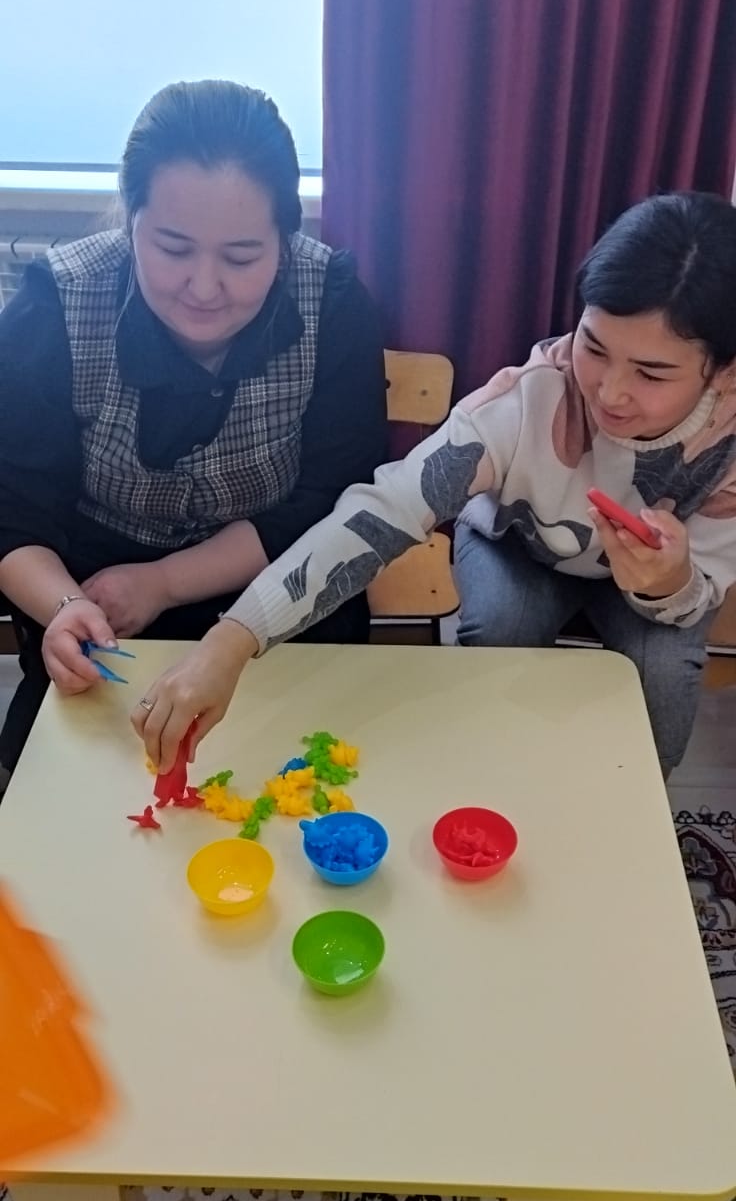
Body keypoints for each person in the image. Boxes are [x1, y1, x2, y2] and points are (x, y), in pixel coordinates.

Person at [133, 190, 736, 781]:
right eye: (594, 346)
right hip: (518, 548)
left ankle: (641, 806)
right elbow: (383, 512)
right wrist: (231, 640)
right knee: (500, 626)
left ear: (725, 375)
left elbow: (699, 594)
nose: (609, 391)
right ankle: (487, 776)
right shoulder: (527, 400)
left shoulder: (728, 447)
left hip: (657, 584)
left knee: (664, 670)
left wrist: (668, 583)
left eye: (651, 374)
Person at [0, 80, 387, 791]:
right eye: (173, 248)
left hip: (280, 591)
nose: (204, 288)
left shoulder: (332, 303)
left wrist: (165, 582)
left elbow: (333, 503)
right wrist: (65, 609)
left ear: (285, 238)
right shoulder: (56, 306)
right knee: (70, 797)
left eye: (241, 257)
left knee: (303, 787)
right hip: (102, 603)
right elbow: (15, 513)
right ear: (132, 221)